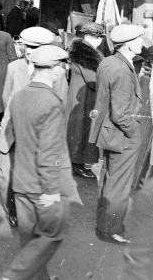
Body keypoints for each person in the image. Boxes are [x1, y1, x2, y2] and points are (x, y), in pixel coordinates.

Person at [1, 45, 79, 280]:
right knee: (51, 234)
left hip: (21, 181)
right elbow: (48, 152)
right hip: (40, 186)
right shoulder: (51, 103)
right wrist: (51, 190)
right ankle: (13, 276)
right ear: (56, 71)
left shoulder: (19, 97)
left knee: (30, 241)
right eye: (62, 67)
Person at [89, 24, 144, 244]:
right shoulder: (122, 69)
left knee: (109, 179)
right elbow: (121, 114)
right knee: (118, 185)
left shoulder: (108, 61)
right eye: (139, 39)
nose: (143, 41)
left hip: (108, 132)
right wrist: (135, 133)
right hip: (122, 135)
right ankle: (110, 229)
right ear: (129, 45)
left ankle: (104, 224)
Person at [0, 26, 55, 228]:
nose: (28, 50)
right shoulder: (15, 67)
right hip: (12, 131)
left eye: (34, 47)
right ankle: (11, 209)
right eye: (26, 46)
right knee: (6, 176)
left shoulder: (56, 72)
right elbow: (6, 97)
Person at [66, 22, 104, 179]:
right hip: (84, 99)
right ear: (92, 37)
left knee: (79, 131)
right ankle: (77, 164)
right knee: (81, 132)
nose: (101, 40)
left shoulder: (81, 50)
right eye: (100, 37)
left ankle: (76, 162)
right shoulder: (85, 54)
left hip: (80, 97)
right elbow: (93, 79)